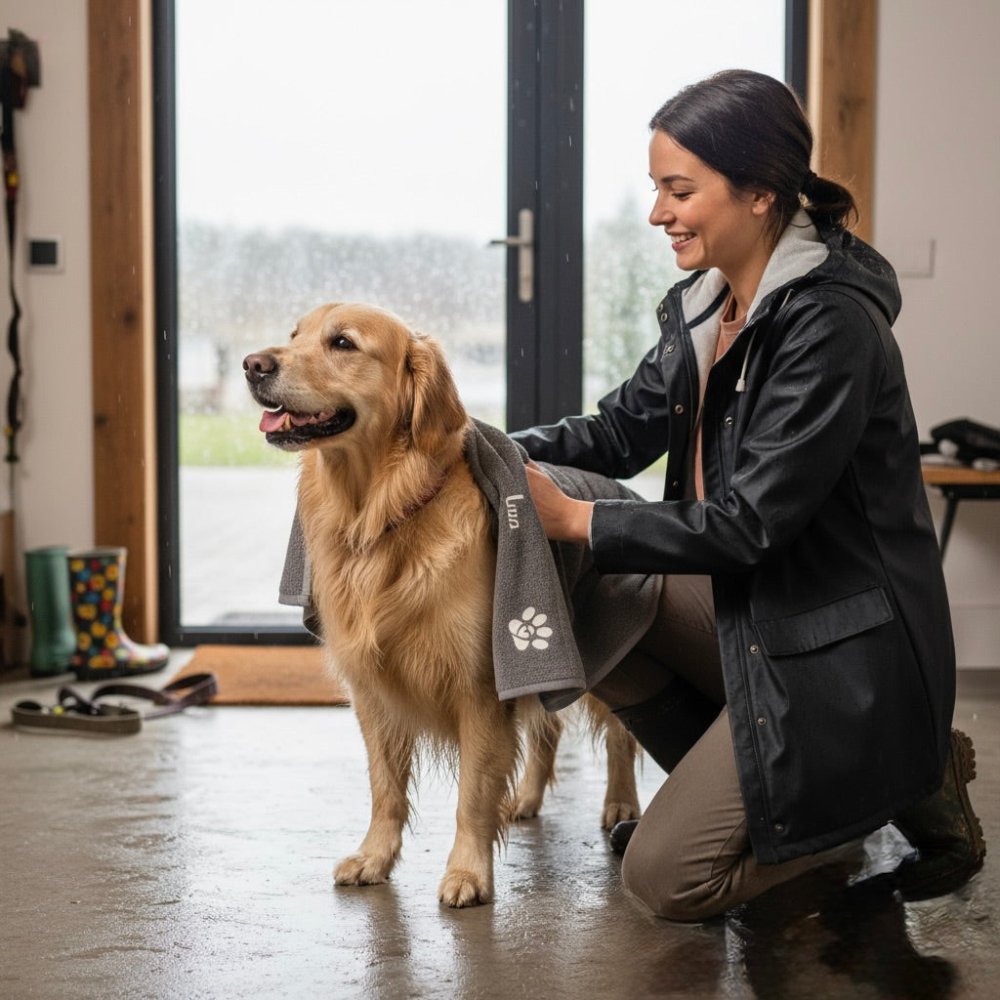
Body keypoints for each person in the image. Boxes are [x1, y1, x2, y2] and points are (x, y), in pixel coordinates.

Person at [513, 69, 986, 922]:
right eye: (656, 189)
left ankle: (857, 810)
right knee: (596, 608)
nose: (657, 214)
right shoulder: (707, 307)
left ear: (761, 192)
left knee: (666, 881)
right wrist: (481, 450)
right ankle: (800, 804)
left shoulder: (830, 325)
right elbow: (617, 432)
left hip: (843, 652)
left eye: (678, 190)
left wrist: (578, 518)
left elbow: (751, 526)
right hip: (763, 617)